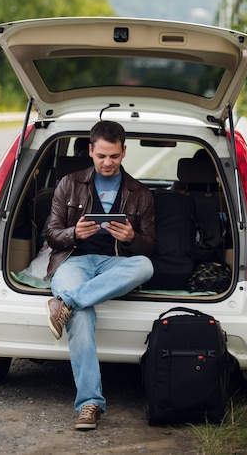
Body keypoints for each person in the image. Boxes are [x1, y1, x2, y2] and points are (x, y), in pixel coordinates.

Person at [45, 120, 155, 430]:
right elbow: (52, 235)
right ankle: (90, 403)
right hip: (73, 260)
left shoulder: (140, 193)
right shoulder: (68, 183)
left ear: (124, 152)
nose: (108, 163)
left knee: (145, 266)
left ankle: (64, 302)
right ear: (91, 151)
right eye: (101, 156)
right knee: (80, 316)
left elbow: (150, 246)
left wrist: (132, 237)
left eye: (115, 156)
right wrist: (74, 234)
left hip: (114, 264)